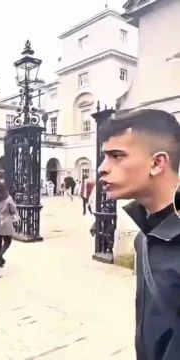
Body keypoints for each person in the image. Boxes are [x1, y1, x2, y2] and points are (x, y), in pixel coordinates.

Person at [98, 109, 180, 360]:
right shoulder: (143, 237)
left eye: (117, 156)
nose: (102, 168)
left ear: (157, 163)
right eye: (105, 157)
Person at [0, 181, 18, 267]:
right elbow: (13, 210)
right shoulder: (8, 198)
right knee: (8, 241)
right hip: (6, 222)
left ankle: (0, 259)